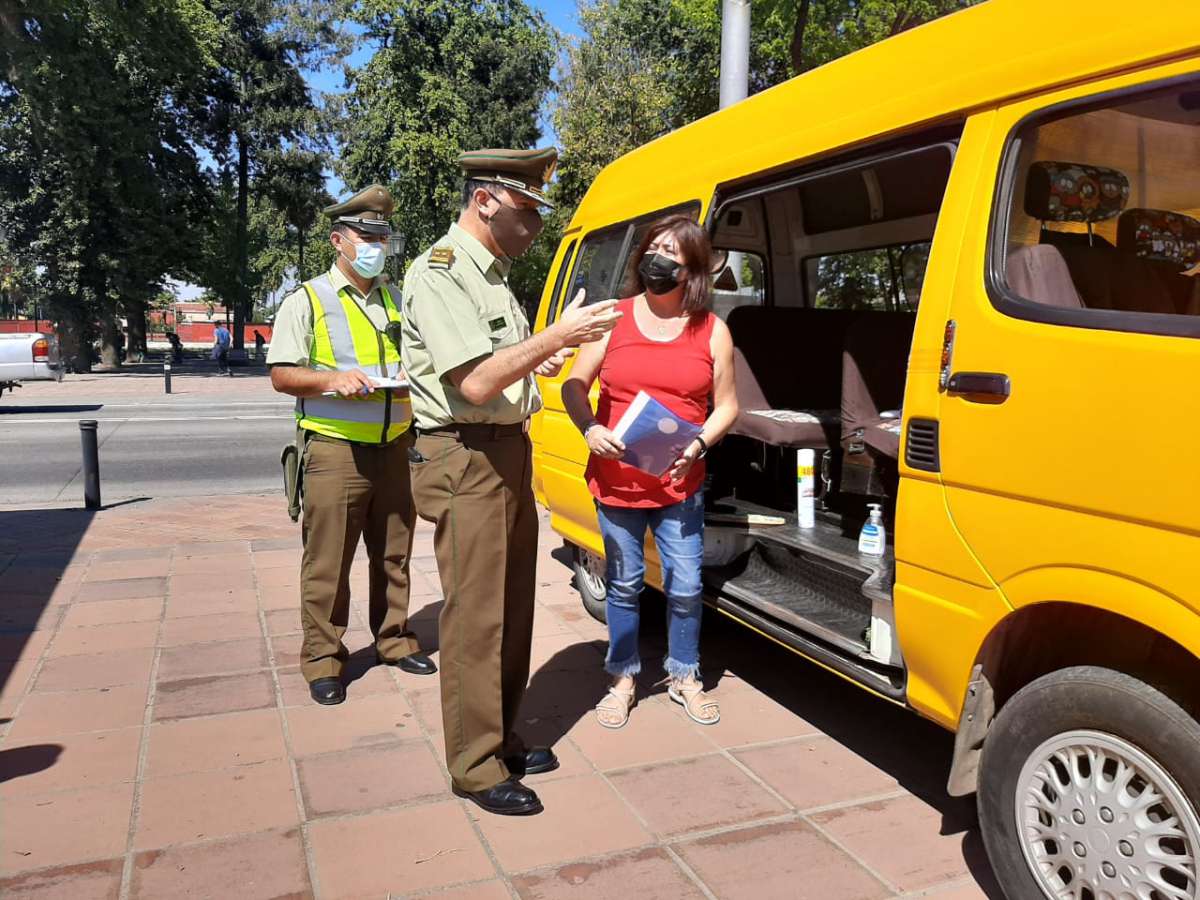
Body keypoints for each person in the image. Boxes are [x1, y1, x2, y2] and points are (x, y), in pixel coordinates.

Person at [402, 147, 621, 816]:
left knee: (511, 608)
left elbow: (502, 371)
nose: (533, 226)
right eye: (526, 210)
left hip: (504, 452)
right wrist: (557, 332)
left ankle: (499, 736)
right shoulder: (440, 272)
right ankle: (473, 764)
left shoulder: (491, 276)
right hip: (466, 455)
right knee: (476, 618)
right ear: (485, 200)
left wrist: (546, 357)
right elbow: (471, 382)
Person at [561, 213, 738, 730]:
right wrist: (590, 428)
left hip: (680, 485)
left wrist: (702, 441)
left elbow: (728, 406)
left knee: (685, 586)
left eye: (674, 254)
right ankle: (622, 678)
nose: (659, 259)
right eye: (654, 248)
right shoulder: (612, 317)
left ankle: (684, 674)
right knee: (623, 585)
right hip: (617, 484)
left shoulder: (712, 331)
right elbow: (575, 384)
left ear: (692, 272)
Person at [267, 184, 436, 707]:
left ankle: (393, 639)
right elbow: (281, 374)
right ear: (339, 241)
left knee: (393, 554)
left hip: (394, 445)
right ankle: (323, 659)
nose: (377, 246)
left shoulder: (395, 298)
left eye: (384, 237)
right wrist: (332, 380)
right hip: (336, 448)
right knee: (327, 562)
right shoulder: (309, 299)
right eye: (367, 236)